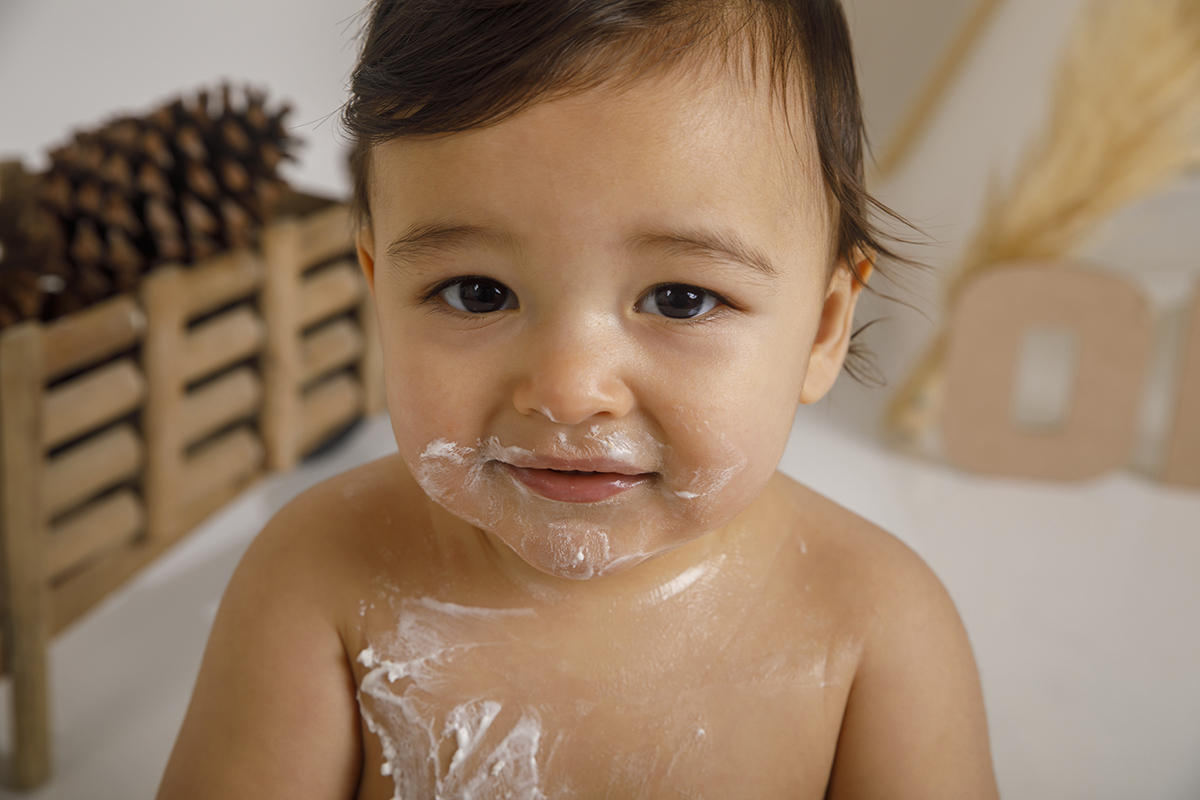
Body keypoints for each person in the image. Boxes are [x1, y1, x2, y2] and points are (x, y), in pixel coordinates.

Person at [158, 1, 999, 798]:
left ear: (822, 328)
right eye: (478, 292)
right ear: (381, 293)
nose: (567, 391)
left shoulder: (876, 632)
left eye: (681, 299)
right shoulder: (318, 579)